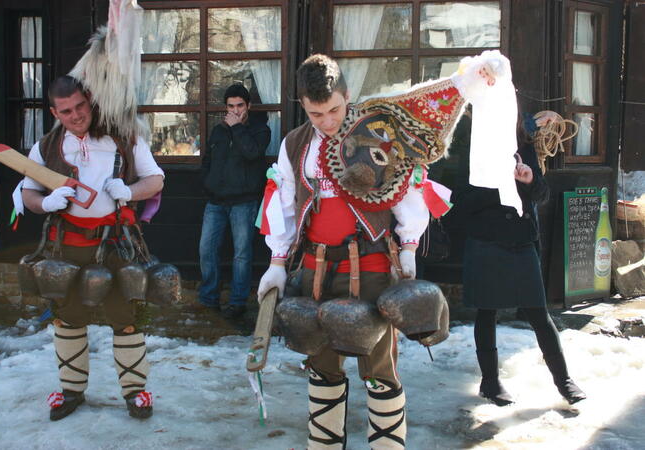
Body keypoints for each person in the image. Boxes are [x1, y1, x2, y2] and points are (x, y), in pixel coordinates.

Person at [256, 54, 430, 449]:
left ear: (347, 96)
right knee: (322, 367)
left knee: (379, 369)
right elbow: (282, 205)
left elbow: (407, 194)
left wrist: (408, 249)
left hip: (371, 265)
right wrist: (277, 263)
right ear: (303, 104)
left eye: (334, 109)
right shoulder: (294, 144)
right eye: (317, 113)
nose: (328, 121)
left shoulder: (377, 133)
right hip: (316, 268)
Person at [22, 75, 165, 420]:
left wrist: (129, 191)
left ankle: (135, 393)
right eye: (66, 111)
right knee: (67, 319)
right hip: (67, 244)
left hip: (116, 243)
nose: (76, 115)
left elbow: (156, 179)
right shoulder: (45, 147)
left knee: (125, 317)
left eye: (80, 106)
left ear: (88, 100)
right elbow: (28, 194)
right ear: (55, 112)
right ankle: (72, 390)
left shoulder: (124, 137)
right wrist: (47, 202)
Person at [453, 111, 586, 406]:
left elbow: (541, 193)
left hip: (520, 240)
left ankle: (564, 380)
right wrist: (498, 185)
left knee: (539, 312)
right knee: (487, 311)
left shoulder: (523, 145)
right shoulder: (471, 148)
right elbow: (460, 200)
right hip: (486, 240)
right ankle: (490, 383)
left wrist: (527, 181)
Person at [198, 84, 271, 318]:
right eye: (231, 106)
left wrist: (237, 127)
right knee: (206, 250)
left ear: (248, 105)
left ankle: (238, 302)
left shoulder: (260, 130)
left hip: (244, 201)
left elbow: (252, 153)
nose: (236, 110)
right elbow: (208, 159)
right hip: (216, 201)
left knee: (242, 254)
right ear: (225, 107)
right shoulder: (218, 131)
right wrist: (208, 182)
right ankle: (209, 299)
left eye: (240, 105)